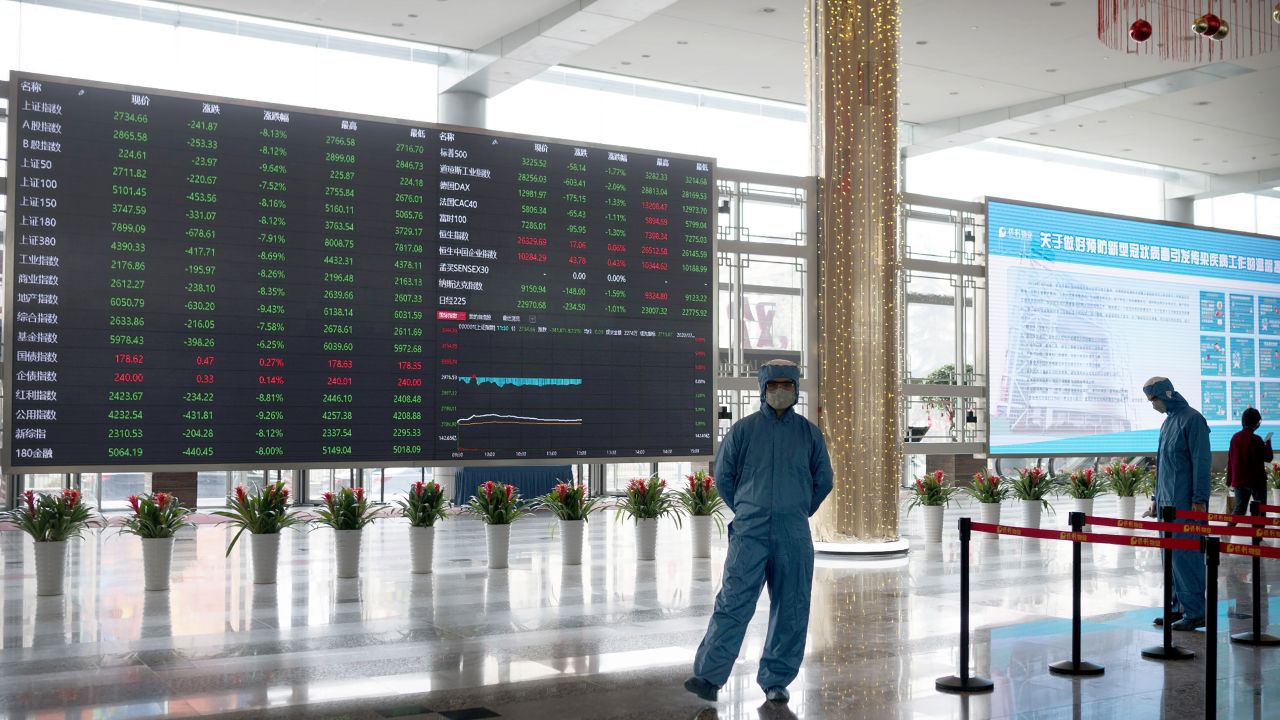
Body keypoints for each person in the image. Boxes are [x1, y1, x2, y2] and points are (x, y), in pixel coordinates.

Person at [684, 359, 833, 704]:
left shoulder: (808, 434)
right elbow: (723, 477)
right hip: (750, 532)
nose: (780, 391)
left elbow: (823, 480)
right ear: (763, 390)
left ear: (796, 390)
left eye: (786, 385)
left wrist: (797, 510)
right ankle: (708, 676)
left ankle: (777, 680)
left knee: (791, 607)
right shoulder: (743, 431)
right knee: (733, 602)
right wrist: (749, 507)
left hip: (793, 535)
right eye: (773, 385)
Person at [1143, 376, 1211, 630]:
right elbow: (1162, 466)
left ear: (1166, 395)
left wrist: (1199, 500)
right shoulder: (1167, 424)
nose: (1153, 405)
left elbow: (1201, 463)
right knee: (1169, 558)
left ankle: (1194, 612)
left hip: (1186, 505)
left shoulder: (1193, 420)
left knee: (1187, 557)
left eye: (1154, 399)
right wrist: (1155, 499)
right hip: (1166, 505)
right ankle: (1176, 608)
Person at [1227, 407, 1273, 517]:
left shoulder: (1235, 437)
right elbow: (1268, 457)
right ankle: (1257, 534)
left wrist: (1229, 480)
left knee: (1239, 510)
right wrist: (1268, 443)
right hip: (1256, 481)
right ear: (1256, 422)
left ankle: (1225, 534)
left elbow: (1230, 460)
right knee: (1260, 511)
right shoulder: (1256, 439)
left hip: (1239, 481)